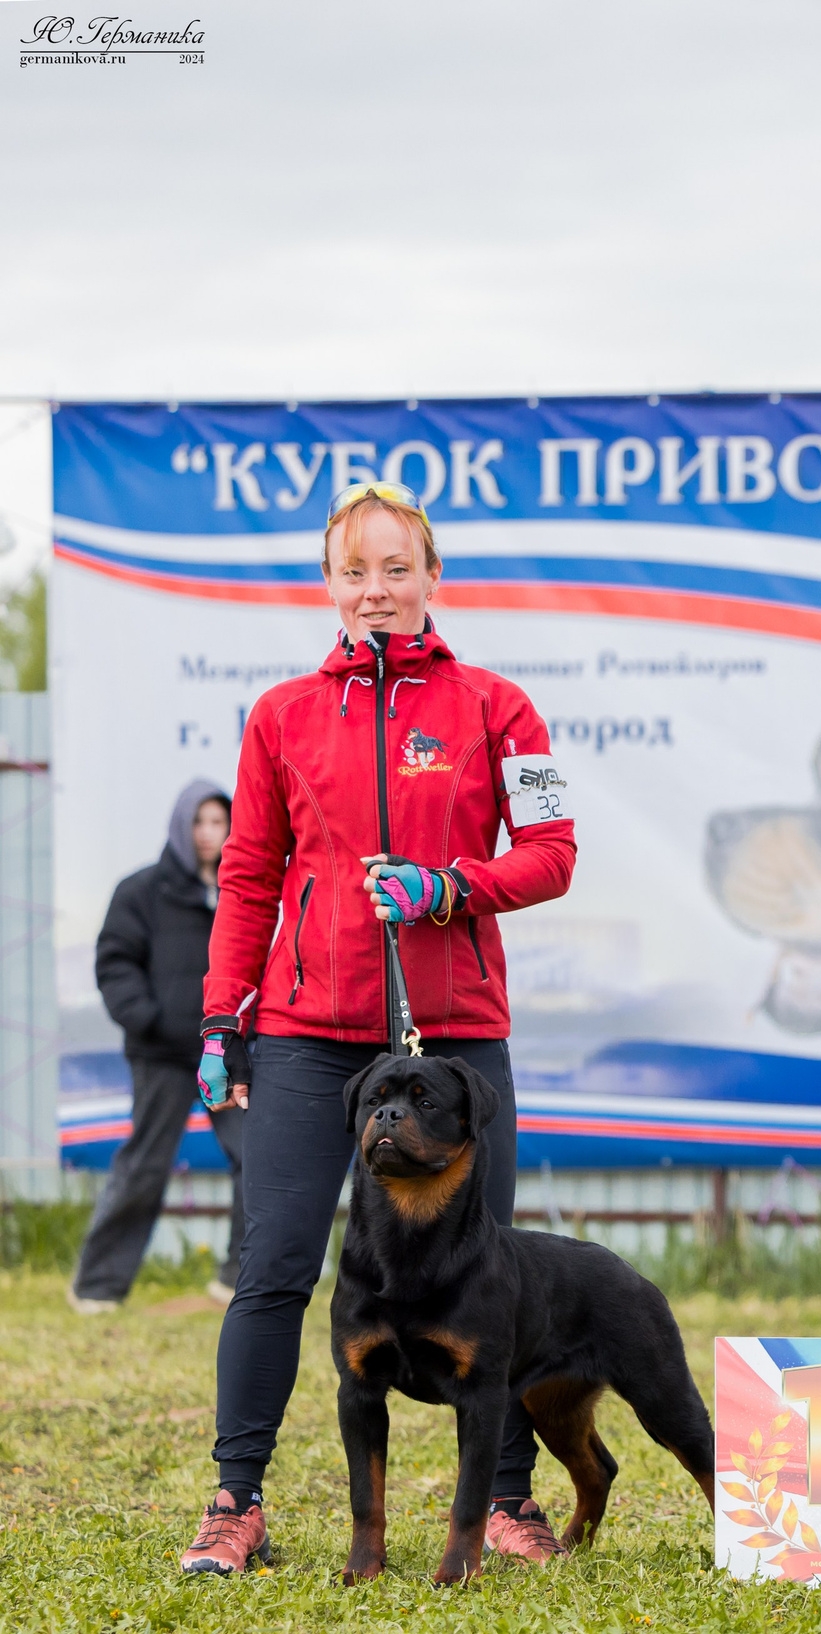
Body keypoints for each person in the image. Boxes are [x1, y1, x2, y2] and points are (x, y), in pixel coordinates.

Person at [177, 479, 579, 1578]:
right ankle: (234, 1501)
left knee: (483, 1278)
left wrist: (450, 887)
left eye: (396, 568)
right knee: (274, 1263)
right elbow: (250, 879)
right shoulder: (280, 716)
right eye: (355, 570)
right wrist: (223, 1020)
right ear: (328, 584)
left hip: (453, 1041)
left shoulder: (499, 706)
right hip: (313, 1037)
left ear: (431, 576)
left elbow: (553, 852)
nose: (376, 590)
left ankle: (507, 1500)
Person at [69, 782, 247, 1312]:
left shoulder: (242, 890)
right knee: (145, 1165)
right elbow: (114, 962)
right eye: (200, 822)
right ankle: (97, 1287)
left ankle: (241, 1277)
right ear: (180, 827)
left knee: (254, 1158)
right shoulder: (140, 891)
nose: (209, 834)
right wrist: (147, 1018)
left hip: (226, 1051)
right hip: (161, 1055)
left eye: (219, 822)